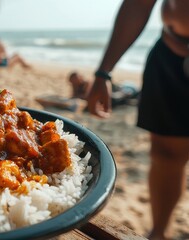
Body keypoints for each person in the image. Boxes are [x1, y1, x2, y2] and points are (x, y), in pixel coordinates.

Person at [86, 1, 189, 239]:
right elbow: (139, 3)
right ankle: (160, 232)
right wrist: (104, 72)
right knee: (166, 155)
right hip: (172, 55)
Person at [69, 71, 138, 107]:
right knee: (117, 100)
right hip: (101, 97)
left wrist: (78, 96)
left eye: (75, 78)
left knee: (118, 96)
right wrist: (74, 87)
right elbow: (73, 96)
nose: (74, 81)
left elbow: (88, 96)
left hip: (109, 90)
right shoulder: (77, 86)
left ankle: (129, 94)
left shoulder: (88, 82)